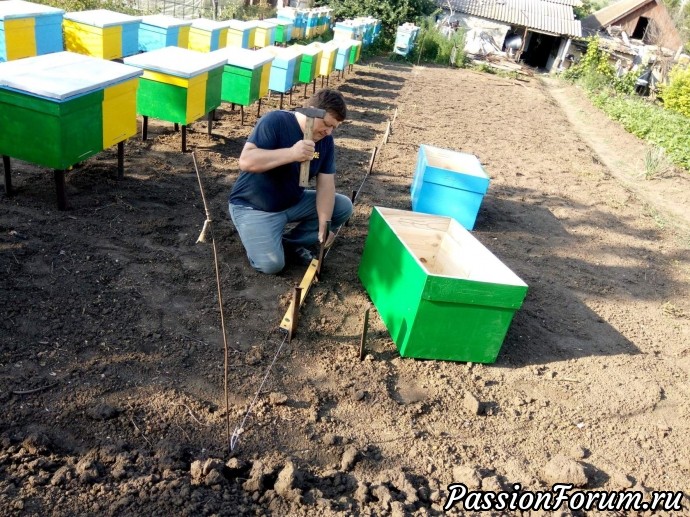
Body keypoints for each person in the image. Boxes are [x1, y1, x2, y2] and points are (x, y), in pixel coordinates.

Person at [228, 89, 353, 274]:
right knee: (272, 265)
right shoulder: (276, 121)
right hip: (254, 207)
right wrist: (291, 154)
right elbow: (246, 161)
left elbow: (326, 184)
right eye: (327, 124)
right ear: (311, 110)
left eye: (334, 127)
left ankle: (289, 243)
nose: (329, 132)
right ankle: (263, 242)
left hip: (292, 202)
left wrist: (324, 225)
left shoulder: (326, 141)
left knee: (343, 206)